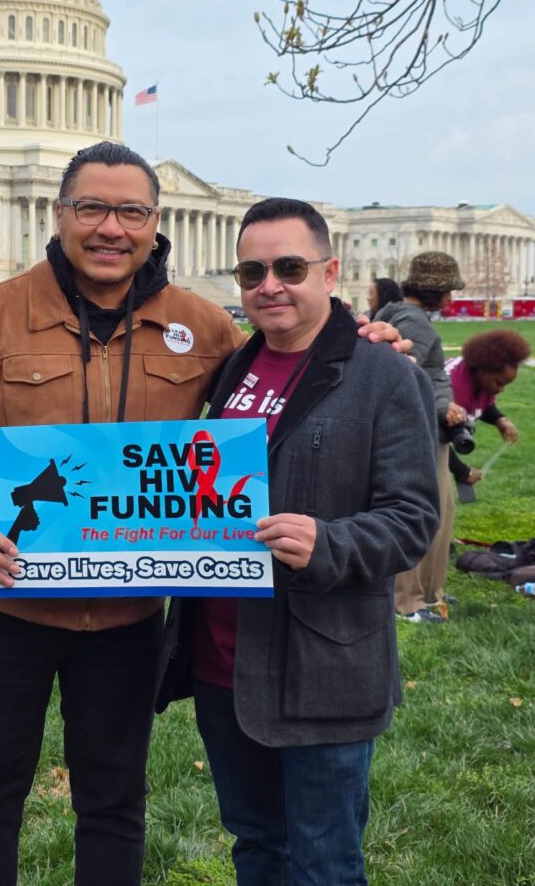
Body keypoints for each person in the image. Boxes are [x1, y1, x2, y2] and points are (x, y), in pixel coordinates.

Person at [0, 144, 407, 886]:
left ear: (155, 223)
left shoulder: (201, 327)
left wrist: (357, 345)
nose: (112, 228)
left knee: (113, 799)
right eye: (92, 209)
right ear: (61, 215)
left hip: (128, 616)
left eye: (131, 211)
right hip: (7, 605)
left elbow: (285, 372)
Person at [156, 198, 440, 886]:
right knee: (256, 845)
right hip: (223, 658)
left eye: (289, 267)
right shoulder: (235, 367)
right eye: (252, 272)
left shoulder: (383, 374)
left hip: (321, 667)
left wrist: (329, 543)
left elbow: (413, 518)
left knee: (323, 862)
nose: (269, 286)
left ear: (330, 270)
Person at [376, 251, 466, 624]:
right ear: (437, 291)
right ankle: (408, 601)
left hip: (424, 428)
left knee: (440, 512)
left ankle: (430, 591)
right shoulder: (417, 325)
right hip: (417, 433)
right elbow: (403, 378)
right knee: (424, 514)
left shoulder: (396, 313)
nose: (452, 300)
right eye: (449, 292)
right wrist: (444, 406)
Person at [445, 330, 530, 486]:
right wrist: (463, 472)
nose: (501, 389)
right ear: (483, 370)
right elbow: (432, 441)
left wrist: (499, 419)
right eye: (499, 383)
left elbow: (484, 405)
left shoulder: (477, 379)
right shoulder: (451, 390)